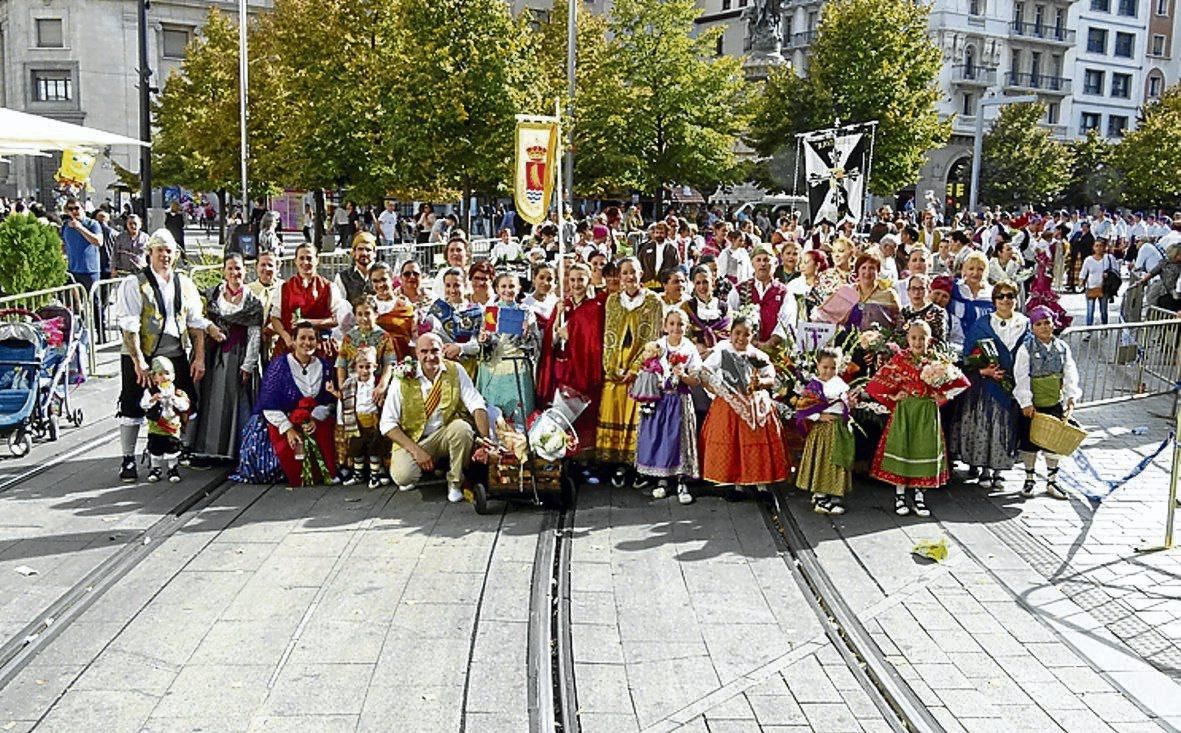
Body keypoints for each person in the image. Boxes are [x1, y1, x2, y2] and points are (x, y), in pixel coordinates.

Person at [114, 229, 216, 481]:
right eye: (159, 250)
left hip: (174, 351)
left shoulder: (185, 283)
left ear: (176, 254)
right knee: (132, 404)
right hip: (143, 353)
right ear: (150, 253)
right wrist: (138, 361)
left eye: (169, 251)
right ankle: (128, 459)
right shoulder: (134, 283)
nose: (165, 256)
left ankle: (175, 448)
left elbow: (196, 322)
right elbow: (129, 326)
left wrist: (199, 357)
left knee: (186, 401)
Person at [866, 321, 970, 517]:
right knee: (903, 447)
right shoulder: (899, 360)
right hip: (905, 412)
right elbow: (875, 385)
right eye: (914, 337)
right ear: (907, 339)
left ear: (929, 340)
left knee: (923, 449)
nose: (918, 341)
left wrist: (944, 396)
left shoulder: (937, 360)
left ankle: (919, 496)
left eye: (922, 337)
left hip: (926, 412)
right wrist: (893, 397)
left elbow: (961, 382)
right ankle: (899, 495)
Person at [380, 333, 492, 502]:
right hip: (415, 440)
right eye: (424, 351)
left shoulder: (455, 370)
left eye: (435, 351)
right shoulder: (402, 377)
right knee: (403, 476)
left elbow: (476, 404)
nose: (430, 357)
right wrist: (416, 451)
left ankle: (455, 482)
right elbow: (387, 424)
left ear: (443, 350)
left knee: (462, 429)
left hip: (445, 434)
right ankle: (431, 466)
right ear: (416, 354)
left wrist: (485, 440)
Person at [699, 315, 790, 501]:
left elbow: (772, 379)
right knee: (733, 444)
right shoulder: (721, 352)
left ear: (753, 336)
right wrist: (716, 388)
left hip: (755, 407)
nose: (741, 338)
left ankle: (761, 483)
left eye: (746, 334)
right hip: (729, 406)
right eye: (737, 333)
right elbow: (705, 372)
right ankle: (736, 484)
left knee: (755, 445)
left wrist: (761, 382)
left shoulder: (759, 355)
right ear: (730, 333)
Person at [951, 280, 1028, 490]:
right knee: (984, 425)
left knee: (1005, 427)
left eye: (1010, 296)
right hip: (985, 386)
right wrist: (983, 370)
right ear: (994, 301)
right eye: (1001, 296)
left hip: (1011, 385)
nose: (1006, 300)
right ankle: (983, 468)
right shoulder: (982, 324)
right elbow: (968, 355)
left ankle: (999, 471)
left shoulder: (1024, 323)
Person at [597, 258, 665, 488]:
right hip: (615, 369)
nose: (629, 277)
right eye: (624, 273)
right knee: (613, 413)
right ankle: (617, 465)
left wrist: (636, 368)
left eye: (633, 273)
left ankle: (639, 466)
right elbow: (609, 335)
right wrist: (612, 367)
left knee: (638, 419)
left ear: (641, 275)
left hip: (641, 370)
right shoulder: (612, 301)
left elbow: (654, 338)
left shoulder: (654, 301)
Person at [192, 254, 263, 462]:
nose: (235, 273)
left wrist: (248, 364)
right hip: (213, 354)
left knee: (234, 401)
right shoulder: (213, 294)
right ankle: (208, 447)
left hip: (237, 356)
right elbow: (198, 319)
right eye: (230, 269)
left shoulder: (252, 301)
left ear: (245, 271)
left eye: (238, 269)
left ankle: (234, 449)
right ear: (224, 271)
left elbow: (254, 334)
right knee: (210, 400)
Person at [255, 321, 339, 487]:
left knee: (325, 430)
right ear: (293, 340)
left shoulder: (324, 366)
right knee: (289, 447)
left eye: (311, 339)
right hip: (283, 420)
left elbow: (330, 402)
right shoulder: (279, 366)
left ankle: (326, 472)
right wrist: (288, 429)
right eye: (302, 338)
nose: (307, 343)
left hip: (314, 420)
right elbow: (269, 404)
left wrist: (315, 418)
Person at [635, 310, 703, 504]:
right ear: (665, 326)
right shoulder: (658, 345)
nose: (676, 328)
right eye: (672, 324)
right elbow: (645, 367)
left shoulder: (689, 347)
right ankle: (662, 479)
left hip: (679, 399)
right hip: (660, 399)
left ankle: (682, 481)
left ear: (686, 327)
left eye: (680, 324)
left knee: (678, 439)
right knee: (660, 437)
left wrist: (681, 375)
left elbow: (695, 381)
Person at [1014, 305, 1080, 500]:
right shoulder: (1026, 348)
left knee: (1053, 442)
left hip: (1053, 402)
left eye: (1047, 323)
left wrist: (1070, 396)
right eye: (1039, 324)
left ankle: (1052, 480)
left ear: (1054, 324)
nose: (1044, 327)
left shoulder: (1062, 348)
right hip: (1034, 404)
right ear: (1032, 327)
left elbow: (1070, 373)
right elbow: (1021, 375)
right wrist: (1026, 401)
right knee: (1030, 441)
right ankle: (1029, 478)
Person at [793, 348, 855, 515]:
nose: (829, 371)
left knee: (837, 460)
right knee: (823, 461)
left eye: (833, 368)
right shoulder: (814, 386)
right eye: (825, 367)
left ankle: (833, 491)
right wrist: (819, 416)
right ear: (818, 365)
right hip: (823, 431)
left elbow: (844, 404)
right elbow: (802, 407)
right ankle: (820, 496)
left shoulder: (840, 384)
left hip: (838, 429)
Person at [476, 273, 539, 425]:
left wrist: (526, 335)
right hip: (493, 367)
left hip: (518, 367)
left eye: (511, 286)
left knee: (519, 415)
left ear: (518, 288)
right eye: (503, 286)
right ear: (497, 289)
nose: (507, 290)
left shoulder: (527, 312)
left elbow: (535, 344)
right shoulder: (490, 312)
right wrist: (484, 340)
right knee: (495, 416)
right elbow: (486, 343)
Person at [270, 243, 345, 359]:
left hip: (319, 346)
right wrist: (286, 337)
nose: (305, 262)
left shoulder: (329, 287)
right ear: (295, 261)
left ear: (317, 260)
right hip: (290, 345)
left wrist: (309, 322)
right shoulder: (284, 288)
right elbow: (275, 317)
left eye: (309, 258)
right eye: (301, 258)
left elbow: (337, 319)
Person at [340, 346, 391, 489]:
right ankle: (358, 474)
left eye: (368, 367)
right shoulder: (351, 384)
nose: (364, 371)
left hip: (373, 422)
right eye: (361, 367)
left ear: (374, 367)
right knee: (357, 450)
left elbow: (385, 400)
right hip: (356, 422)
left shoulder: (377, 384)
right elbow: (344, 398)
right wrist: (333, 391)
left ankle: (375, 475)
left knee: (374, 450)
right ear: (356, 367)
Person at [727, 244, 796, 350]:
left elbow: (787, 321)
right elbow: (730, 317)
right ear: (752, 264)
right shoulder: (739, 289)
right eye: (758, 260)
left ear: (775, 263)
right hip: (744, 348)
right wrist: (752, 342)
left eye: (766, 260)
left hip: (775, 351)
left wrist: (769, 344)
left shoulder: (784, 292)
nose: (762, 264)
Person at [140, 356, 190, 484]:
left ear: (172, 376)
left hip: (171, 425)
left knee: (172, 448)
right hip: (156, 425)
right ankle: (155, 469)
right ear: (154, 377)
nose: (164, 377)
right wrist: (152, 400)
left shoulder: (177, 392)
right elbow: (143, 405)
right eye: (160, 374)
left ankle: (172, 469)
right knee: (155, 448)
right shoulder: (150, 391)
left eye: (167, 374)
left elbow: (185, 406)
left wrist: (174, 399)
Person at [523, 264, 559, 404]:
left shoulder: (557, 302)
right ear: (534, 279)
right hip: (536, 356)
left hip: (553, 353)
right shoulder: (526, 304)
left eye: (550, 279)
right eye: (541, 278)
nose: (545, 282)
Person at [947, 251, 993, 350]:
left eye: (980, 269)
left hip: (983, 348)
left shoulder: (991, 293)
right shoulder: (954, 288)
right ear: (964, 269)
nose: (975, 273)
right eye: (971, 269)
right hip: (954, 345)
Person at [61, 198, 103, 303]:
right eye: (70, 209)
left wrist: (80, 228)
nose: (74, 211)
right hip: (72, 270)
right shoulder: (66, 226)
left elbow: (98, 241)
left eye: (76, 208)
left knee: (94, 301)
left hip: (89, 270)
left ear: (83, 208)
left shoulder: (92, 224)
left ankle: (98, 320)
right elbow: (64, 245)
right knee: (73, 302)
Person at [247, 252, 283, 358]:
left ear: (277, 268)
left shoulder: (285, 288)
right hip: (253, 345)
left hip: (278, 343)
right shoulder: (247, 290)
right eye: (262, 265)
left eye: (270, 265)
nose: (266, 269)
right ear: (256, 267)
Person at [899, 274, 948, 347]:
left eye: (921, 289)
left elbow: (940, 342)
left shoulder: (937, 312)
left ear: (928, 291)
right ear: (908, 292)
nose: (917, 293)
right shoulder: (904, 311)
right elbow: (898, 336)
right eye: (913, 288)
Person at [1078, 238, 1119, 326]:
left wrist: (1109, 275)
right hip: (1091, 287)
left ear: (1104, 247)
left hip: (1104, 288)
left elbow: (1116, 271)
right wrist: (1081, 282)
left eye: (1101, 246)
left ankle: (1104, 327)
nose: (1099, 248)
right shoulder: (1088, 260)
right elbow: (1083, 272)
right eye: (1097, 246)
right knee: (1090, 310)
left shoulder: (1109, 259)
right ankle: (1088, 329)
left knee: (1103, 310)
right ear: (1093, 247)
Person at [333, 232, 377, 306]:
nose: (364, 253)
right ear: (353, 252)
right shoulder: (342, 277)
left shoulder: (382, 274)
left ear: (374, 253)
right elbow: (339, 306)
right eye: (360, 249)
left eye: (368, 250)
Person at [636, 221, 681, 287]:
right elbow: (639, 264)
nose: (659, 235)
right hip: (647, 283)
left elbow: (675, 266)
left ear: (666, 233)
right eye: (657, 233)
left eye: (661, 233)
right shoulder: (646, 247)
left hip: (665, 284)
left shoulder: (672, 249)